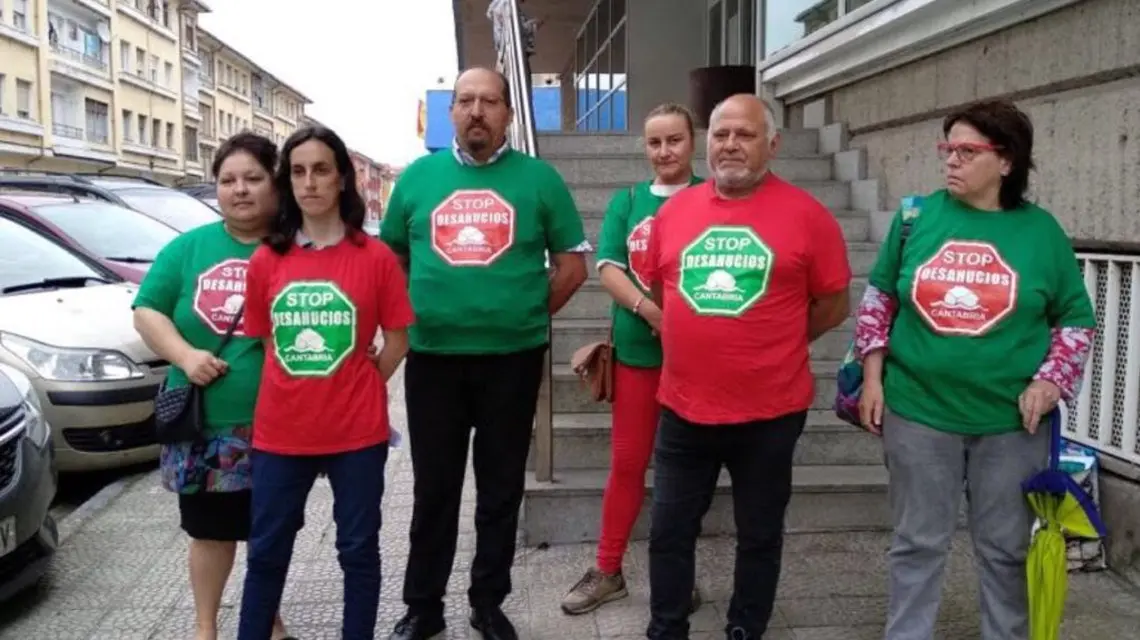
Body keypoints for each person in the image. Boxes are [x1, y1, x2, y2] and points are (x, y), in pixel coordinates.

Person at [854, 99, 1096, 640]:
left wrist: (1050, 380)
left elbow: (1076, 319)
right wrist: (873, 378)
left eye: (967, 151)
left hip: (1011, 424)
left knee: (1006, 551)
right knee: (917, 543)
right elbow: (878, 301)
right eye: (948, 149)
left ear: (1006, 162)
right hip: (918, 411)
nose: (951, 161)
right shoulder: (917, 217)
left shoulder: (1041, 232)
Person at [381, 67, 588, 640]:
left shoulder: (539, 180)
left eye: (489, 102)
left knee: (500, 489)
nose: (477, 111)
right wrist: (415, 310)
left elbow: (572, 265)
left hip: (512, 360)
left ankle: (488, 602)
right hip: (434, 360)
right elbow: (392, 259)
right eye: (466, 101)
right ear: (451, 112)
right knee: (434, 490)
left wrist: (522, 311)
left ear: (508, 114)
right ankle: (423, 607)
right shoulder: (418, 179)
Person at [640, 94, 853, 640]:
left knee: (758, 534)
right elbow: (658, 285)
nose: (730, 144)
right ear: (706, 142)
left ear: (772, 144)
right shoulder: (673, 211)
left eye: (745, 134)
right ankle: (666, 629)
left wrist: (777, 339)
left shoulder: (809, 216)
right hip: (683, 409)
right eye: (720, 134)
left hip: (770, 412)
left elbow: (833, 304)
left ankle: (745, 627)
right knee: (668, 532)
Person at [236, 125, 415, 640]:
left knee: (358, 550)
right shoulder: (268, 260)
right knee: (267, 550)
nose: (309, 182)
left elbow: (397, 340)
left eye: (320, 170)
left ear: (342, 180)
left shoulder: (375, 258)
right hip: (280, 433)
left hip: (357, 435)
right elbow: (269, 343)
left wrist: (356, 382)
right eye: (297, 172)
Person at [132, 132, 293, 640]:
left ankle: (268, 618)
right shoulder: (187, 248)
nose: (239, 190)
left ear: (275, 183)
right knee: (210, 533)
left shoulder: (296, 249)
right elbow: (147, 310)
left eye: (252, 178)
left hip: (279, 424)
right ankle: (206, 629)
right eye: (227, 180)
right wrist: (185, 355)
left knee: (268, 533)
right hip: (204, 425)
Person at [560, 103, 704, 615]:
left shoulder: (714, 197)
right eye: (654, 142)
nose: (664, 151)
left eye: (674, 140)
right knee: (627, 463)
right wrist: (653, 312)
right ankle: (608, 568)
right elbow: (608, 266)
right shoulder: (628, 200)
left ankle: (677, 574)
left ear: (693, 143)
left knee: (683, 473)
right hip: (639, 354)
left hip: (700, 361)